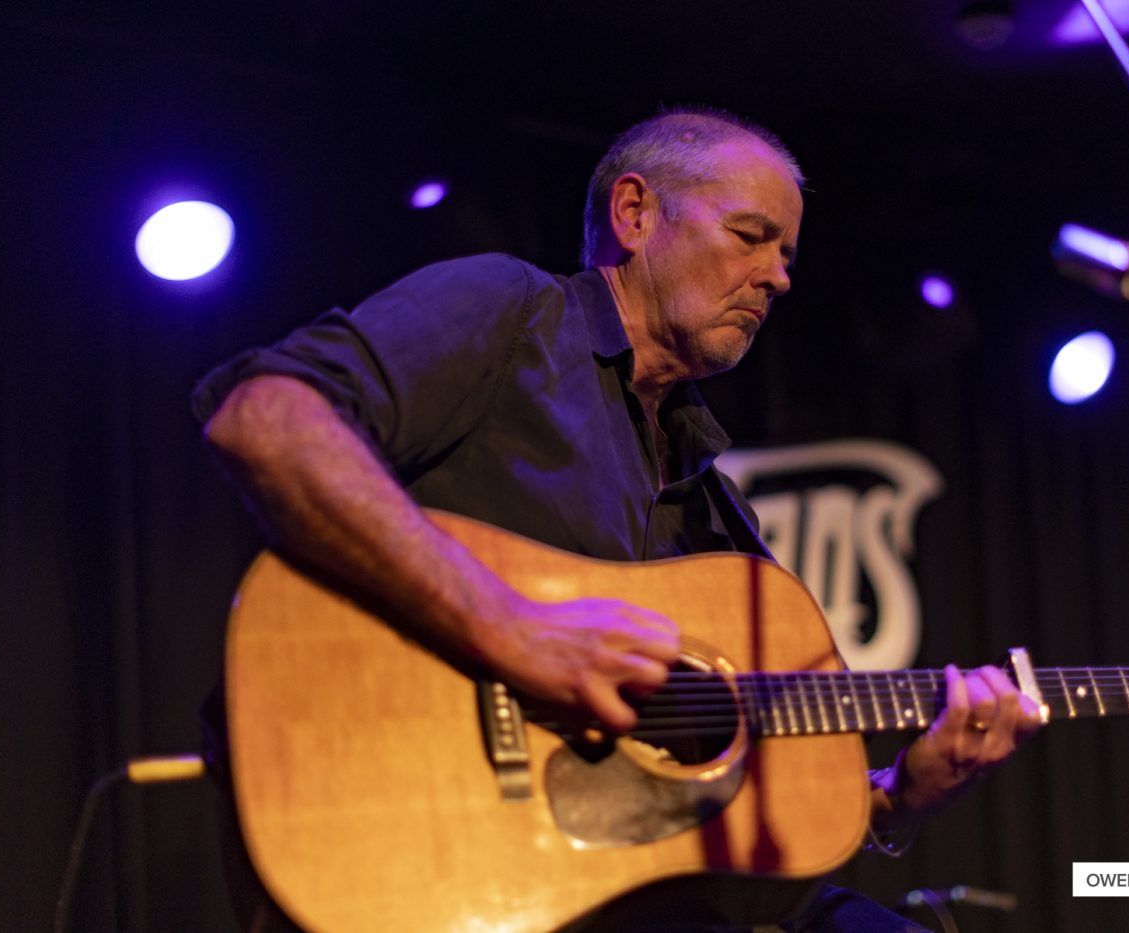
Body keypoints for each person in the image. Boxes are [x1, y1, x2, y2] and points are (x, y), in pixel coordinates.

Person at [194, 107, 1043, 932]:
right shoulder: (513, 312)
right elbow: (263, 419)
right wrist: (511, 627)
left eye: (786, 254)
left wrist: (896, 798)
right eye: (751, 236)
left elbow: (694, 815)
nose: (779, 276)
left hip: (630, 890)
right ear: (635, 214)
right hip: (423, 840)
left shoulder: (713, 505)